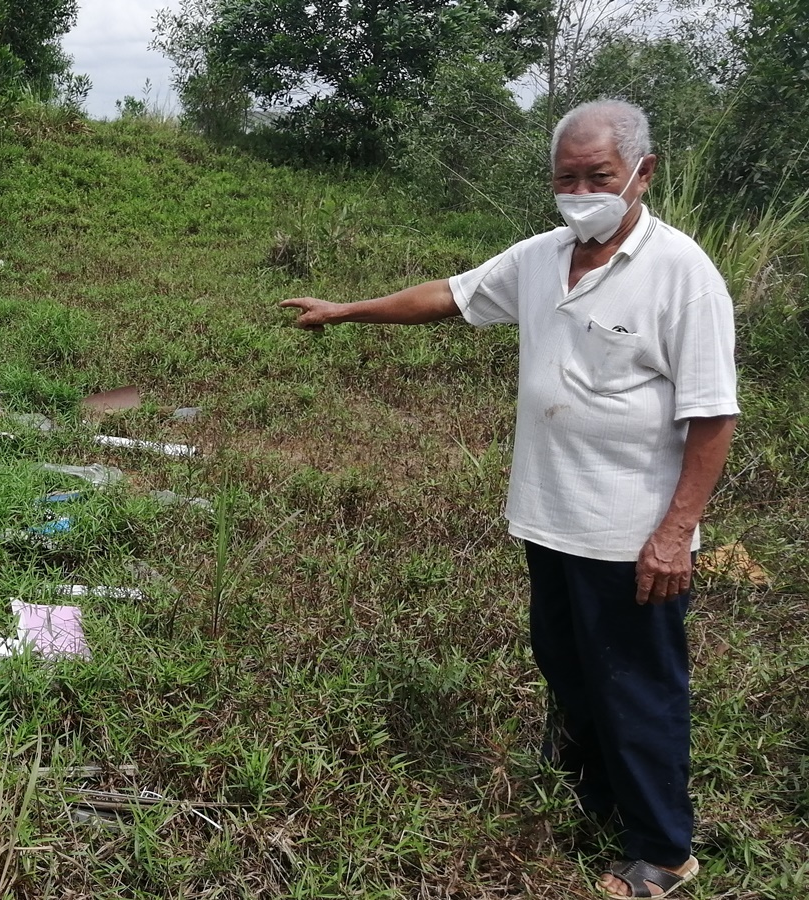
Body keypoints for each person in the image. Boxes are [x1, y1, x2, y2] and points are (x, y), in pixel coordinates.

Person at [280, 99, 738, 900]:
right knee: (566, 664)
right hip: (549, 515)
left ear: (642, 173)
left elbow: (712, 416)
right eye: (567, 177)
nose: (581, 190)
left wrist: (676, 533)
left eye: (598, 176)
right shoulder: (543, 256)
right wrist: (347, 310)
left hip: (630, 533)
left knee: (637, 684)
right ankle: (596, 798)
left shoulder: (682, 273)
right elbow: (450, 297)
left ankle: (664, 852)